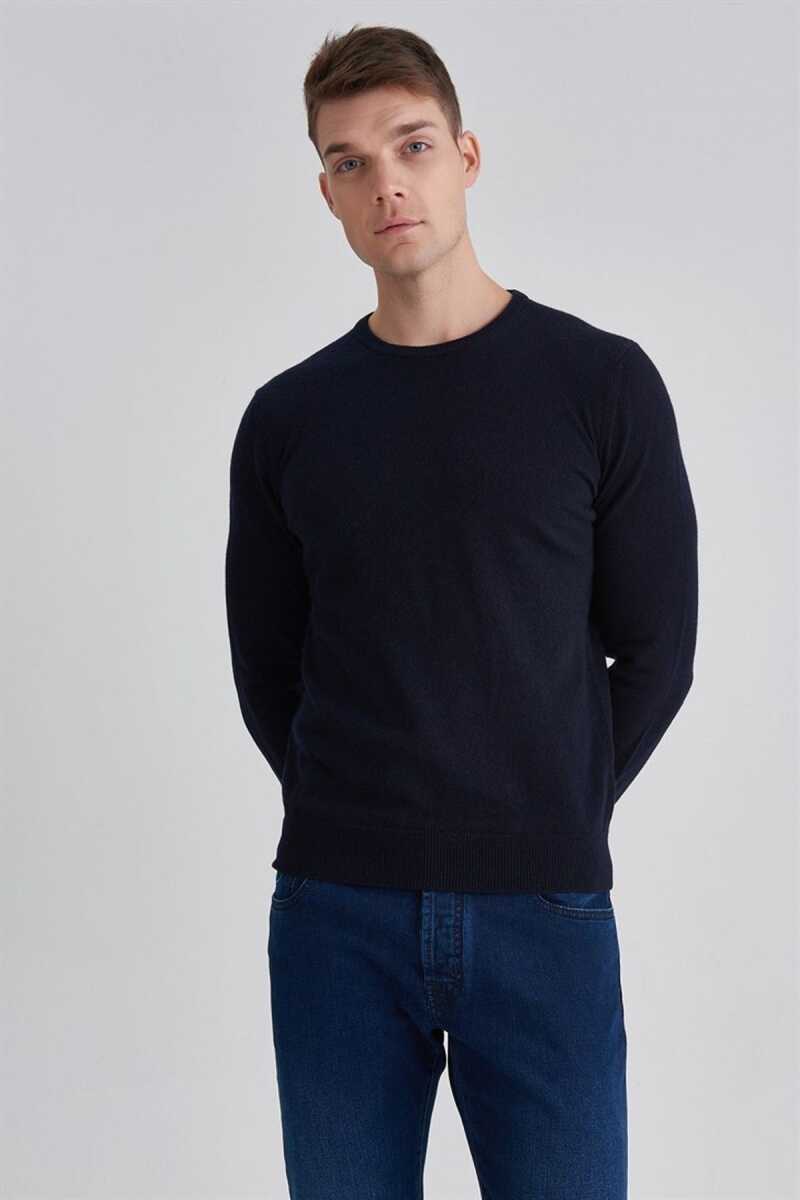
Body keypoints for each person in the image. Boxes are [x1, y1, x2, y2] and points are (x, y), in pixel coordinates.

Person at [225, 22, 698, 1200]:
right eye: (348, 162)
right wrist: (354, 807)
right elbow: (266, 666)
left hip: (543, 912)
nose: (385, 183)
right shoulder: (289, 419)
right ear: (326, 194)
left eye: (411, 145)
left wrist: (550, 804)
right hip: (336, 918)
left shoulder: (599, 385)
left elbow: (655, 650)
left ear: (465, 155)